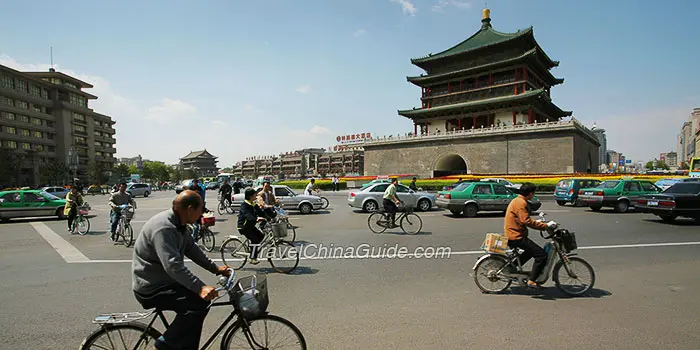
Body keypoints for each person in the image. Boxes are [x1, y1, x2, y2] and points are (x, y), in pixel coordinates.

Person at [132, 190, 231, 350]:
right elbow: (173, 265)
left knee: (200, 305)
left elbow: (192, 249)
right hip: (151, 288)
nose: (202, 213)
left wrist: (216, 269)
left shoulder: (180, 224)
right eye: (201, 209)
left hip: (165, 282)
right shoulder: (164, 228)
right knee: (198, 303)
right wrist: (200, 288)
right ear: (190, 209)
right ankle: (165, 343)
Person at [504, 183, 556, 288]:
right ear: (530, 193)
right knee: (541, 255)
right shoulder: (521, 203)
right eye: (533, 193)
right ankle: (532, 281)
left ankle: (511, 267)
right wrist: (545, 226)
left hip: (514, 234)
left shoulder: (517, 200)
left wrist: (539, 222)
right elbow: (526, 221)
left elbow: (523, 219)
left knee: (530, 252)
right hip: (516, 236)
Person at [238, 188, 267, 265]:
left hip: (250, 226)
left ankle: (253, 249)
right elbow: (247, 215)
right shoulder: (244, 205)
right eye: (255, 195)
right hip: (243, 227)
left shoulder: (253, 204)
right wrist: (256, 219)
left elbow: (261, 213)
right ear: (250, 196)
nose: (256, 196)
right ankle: (252, 258)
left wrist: (268, 217)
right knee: (254, 239)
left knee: (261, 236)